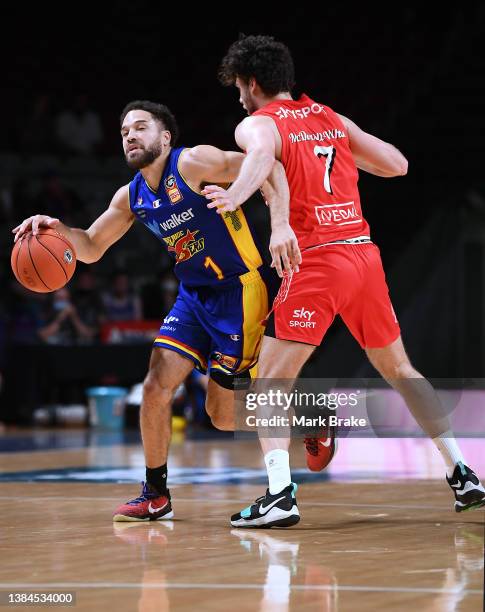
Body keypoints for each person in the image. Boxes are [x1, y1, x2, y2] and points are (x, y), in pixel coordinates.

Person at [203, 34, 485, 527]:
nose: (239, 97)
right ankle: (463, 473)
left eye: (239, 87)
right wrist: (328, 154)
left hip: (316, 262)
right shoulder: (330, 118)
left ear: (251, 83)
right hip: (363, 258)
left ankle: (279, 494)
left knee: (271, 381)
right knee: (401, 370)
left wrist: (236, 195)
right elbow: (397, 165)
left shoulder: (257, 123)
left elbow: (260, 156)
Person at [13, 99, 301, 521]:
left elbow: (269, 165)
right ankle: (155, 493)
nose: (130, 135)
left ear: (165, 137)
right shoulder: (130, 196)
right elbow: (91, 246)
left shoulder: (195, 162)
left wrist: (280, 224)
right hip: (193, 296)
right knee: (154, 385)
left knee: (222, 416)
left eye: (141, 128)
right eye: (125, 131)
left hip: (238, 292)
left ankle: (310, 419)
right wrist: (57, 230)